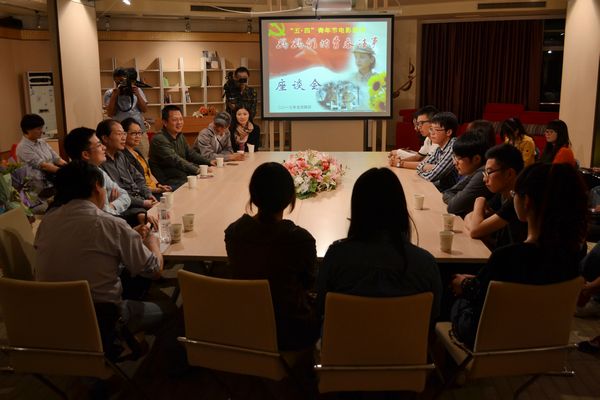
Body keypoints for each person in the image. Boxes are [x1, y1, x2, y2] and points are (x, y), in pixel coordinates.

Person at [450, 163, 587, 348]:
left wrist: (465, 284)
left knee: (450, 294)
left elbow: (480, 301)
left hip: (492, 344)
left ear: (526, 201)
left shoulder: (507, 257)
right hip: (544, 344)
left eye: (514, 194)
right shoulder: (575, 254)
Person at [35, 161, 174, 337]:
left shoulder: (47, 221)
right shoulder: (110, 224)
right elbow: (154, 270)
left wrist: (129, 235)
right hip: (101, 318)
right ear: (96, 188)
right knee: (173, 310)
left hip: (51, 316)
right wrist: (152, 241)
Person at [316, 168, 442, 323]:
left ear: (358, 209)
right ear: (400, 209)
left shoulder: (337, 257)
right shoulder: (424, 264)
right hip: (403, 339)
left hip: (346, 339)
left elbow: (321, 307)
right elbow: (434, 314)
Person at [224, 162, 319, 351]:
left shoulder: (234, 232)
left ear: (253, 195)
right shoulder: (300, 240)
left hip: (245, 324)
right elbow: (309, 282)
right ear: (290, 197)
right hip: (291, 332)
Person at [464, 144, 527, 249]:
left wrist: (479, 201)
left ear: (509, 174)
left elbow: (475, 230)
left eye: (489, 172)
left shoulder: (518, 198)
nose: (484, 179)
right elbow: (468, 217)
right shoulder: (502, 193)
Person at [63, 127, 131, 216]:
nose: (104, 147)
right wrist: (106, 208)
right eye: (99, 145)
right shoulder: (76, 178)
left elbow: (125, 196)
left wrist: (112, 206)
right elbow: (95, 211)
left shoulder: (98, 171)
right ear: (86, 154)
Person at [96, 119, 157, 212]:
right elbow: (116, 195)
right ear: (105, 138)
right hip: (126, 207)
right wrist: (143, 203)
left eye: (124, 133)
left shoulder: (121, 156)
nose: (124, 138)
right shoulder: (100, 163)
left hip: (140, 199)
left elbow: (139, 178)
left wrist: (148, 195)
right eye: (119, 134)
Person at [149, 105, 212, 189]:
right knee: (201, 185)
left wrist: (209, 162)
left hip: (181, 175)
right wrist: (198, 170)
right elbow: (176, 160)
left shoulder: (179, 135)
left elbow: (190, 154)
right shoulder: (159, 139)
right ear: (165, 122)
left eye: (181, 119)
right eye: (175, 120)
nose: (179, 122)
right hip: (168, 181)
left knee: (209, 181)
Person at [15, 114, 67, 201]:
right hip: (38, 187)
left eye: (41, 128)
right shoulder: (23, 147)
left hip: (52, 182)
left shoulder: (42, 142)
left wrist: (69, 166)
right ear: (28, 130)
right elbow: (43, 166)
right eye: (38, 129)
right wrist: (66, 172)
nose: (41, 131)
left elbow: (57, 159)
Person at [442, 131, 493, 218]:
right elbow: (449, 192)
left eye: (459, 158)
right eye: (454, 157)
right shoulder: (475, 171)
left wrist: (456, 200)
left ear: (476, 159)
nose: (455, 162)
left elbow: (453, 207)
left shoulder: (482, 174)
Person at [103, 67, 150, 157]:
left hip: (138, 133)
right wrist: (114, 96)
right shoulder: (110, 93)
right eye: (117, 82)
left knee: (142, 158)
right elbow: (110, 113)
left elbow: (144, 109)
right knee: (122, 160)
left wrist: (137, 94)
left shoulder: (137, 90)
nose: (120, 84)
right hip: (120, 134)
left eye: (122, 81)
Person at [121, 117, 172, 196]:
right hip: (146, 194)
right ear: (124, 134)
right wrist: (157, 190)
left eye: (139, 133)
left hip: (154, 188)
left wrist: (159, 185)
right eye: (134, 133)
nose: (138, 136)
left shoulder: (137, 151)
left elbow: (148, 173)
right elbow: (135, 185)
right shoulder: (124, 156)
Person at [416, 111, 459, 191]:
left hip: (453, 191)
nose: (431, 133)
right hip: (443, 187)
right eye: (431, 129)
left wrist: (429, 168)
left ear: (448, 132)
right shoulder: (440, 147)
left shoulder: (453, 147)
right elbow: (420, 165)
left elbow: (431, 176)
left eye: (436, 130)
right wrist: (428, 167)